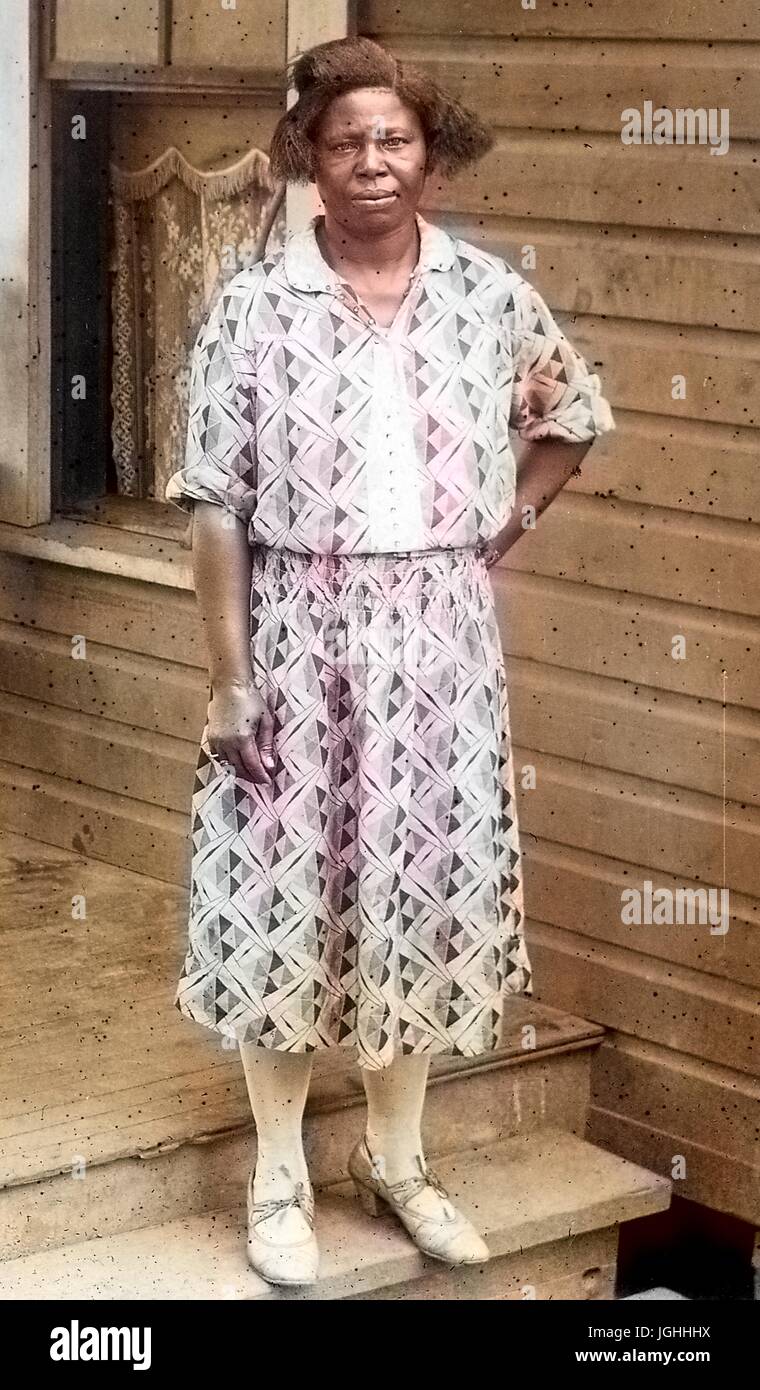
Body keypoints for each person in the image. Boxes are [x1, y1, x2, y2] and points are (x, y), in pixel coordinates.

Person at [164, 35, 615, 1287]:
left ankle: (399, 1161)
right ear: (308, 156)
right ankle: (276, 1175)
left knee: (415, 894)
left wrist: (491, 531)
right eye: (348, 139)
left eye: (397, 139)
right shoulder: (256, 307)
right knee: (286, 896)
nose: (374, 161)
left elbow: (569, 419)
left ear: (431, 153)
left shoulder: (487, 294)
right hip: (295, 630)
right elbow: (214, 503)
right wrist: (229, 673)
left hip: (438, 648)